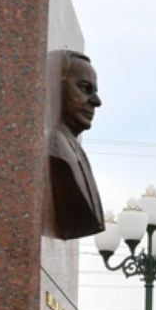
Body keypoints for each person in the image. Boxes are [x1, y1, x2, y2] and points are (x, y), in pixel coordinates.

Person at [46, 50, 107, 240]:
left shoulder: (73, 149)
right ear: (56, 88)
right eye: (85, 88)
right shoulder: (55, 149)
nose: (96, 101)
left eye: (95, 91)